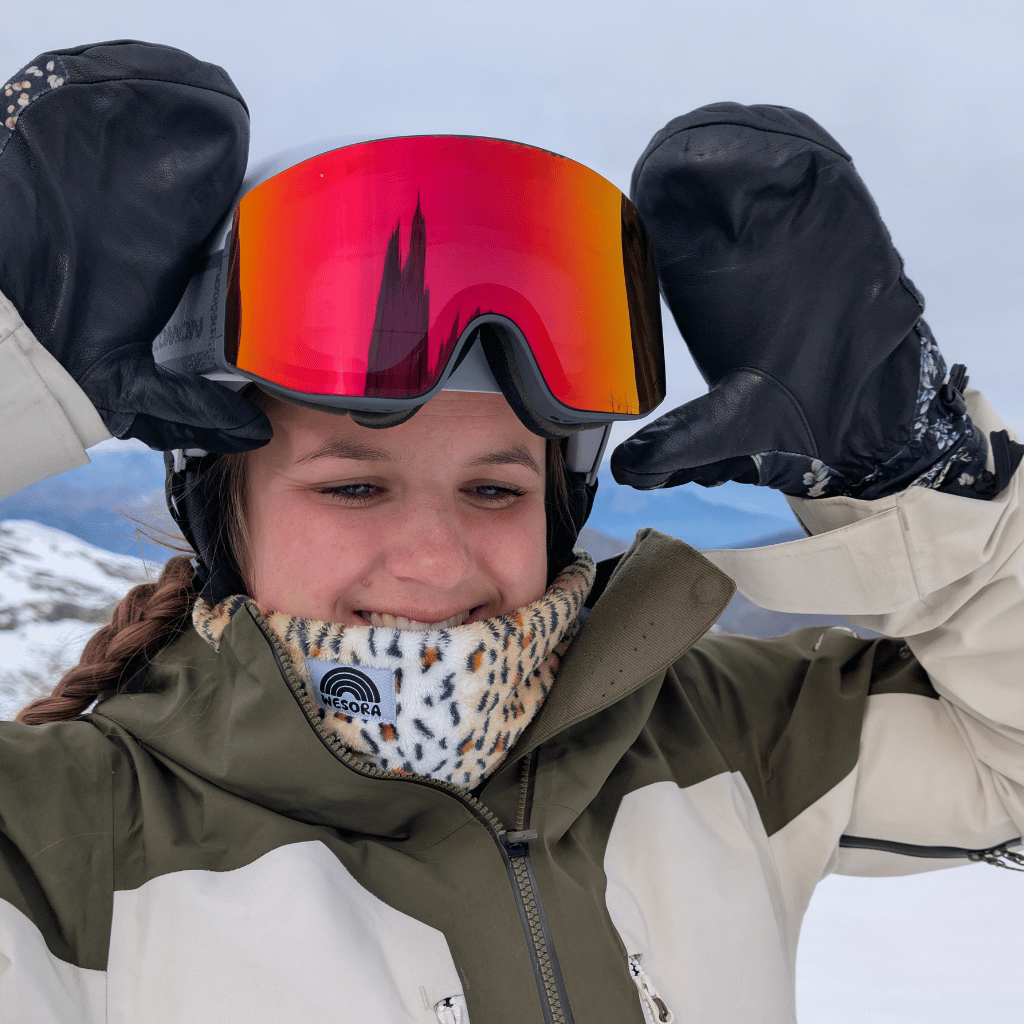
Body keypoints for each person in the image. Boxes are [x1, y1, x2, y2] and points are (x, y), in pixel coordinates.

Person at [1, 39, 1021, 1024]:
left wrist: (922, 478)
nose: (436, 562)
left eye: (495, 490)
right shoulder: (64, 839)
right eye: (353, 487)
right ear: (220, 508)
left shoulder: (719, 736)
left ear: (558, 507)